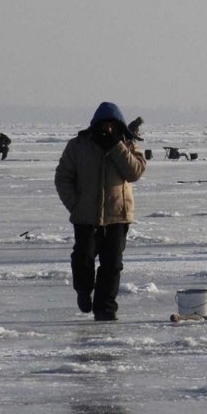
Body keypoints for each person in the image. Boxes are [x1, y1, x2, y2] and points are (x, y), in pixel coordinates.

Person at [54, 102, 146, 321]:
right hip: (86, 217)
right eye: (104, 125)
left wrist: (117, 146)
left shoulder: (128, 145)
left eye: (113, 125)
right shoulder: (78, 145)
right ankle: (84, 291)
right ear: (95, 124)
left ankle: (106, 308)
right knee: (84, 258)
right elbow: (63, 177)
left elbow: (134, 172)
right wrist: (75, 205)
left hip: (117, 216)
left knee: (112, 265)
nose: (108, 129)